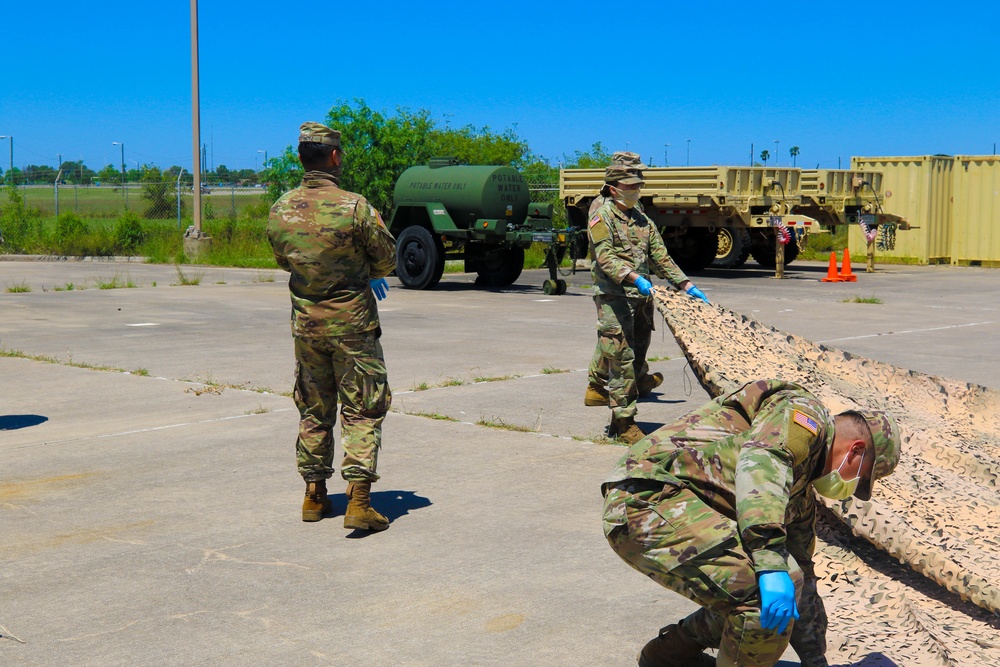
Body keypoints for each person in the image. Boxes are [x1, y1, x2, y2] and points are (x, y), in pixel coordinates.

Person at [601, 379, 901, 667]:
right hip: (645, 498)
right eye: (860, 478)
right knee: (762, 593)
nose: (849, 488)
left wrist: (815, 661)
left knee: (784, 590)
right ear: (856, 450)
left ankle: (669, 656)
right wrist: (770, 563)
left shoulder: (800, 492)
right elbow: (764, 462)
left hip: (671, 507)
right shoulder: (803, 415)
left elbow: (805, 584)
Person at [267, 121, 397, 531]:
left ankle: (313, 495)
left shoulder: (280, 209)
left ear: (301, 157)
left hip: (306, 328)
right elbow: (387, 259)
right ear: (335, 156)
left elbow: (284, 260)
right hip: (353, 327)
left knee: (313, 408)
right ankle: (358, 501)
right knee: (361, 409)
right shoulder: (355, 207)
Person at [586, 162, 709, 443]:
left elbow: (661, 257)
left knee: (637, 356)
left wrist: (685, 284)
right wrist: (633, 277)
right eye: (630, 186)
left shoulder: (642, 220)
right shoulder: (602, 217)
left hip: (642, 299)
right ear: (614, 187)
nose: (636, 191)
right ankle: (624, 423)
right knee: (621, 358)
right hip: (614, 297)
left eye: (639, 186)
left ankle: (597, 387)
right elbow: (605, 258)